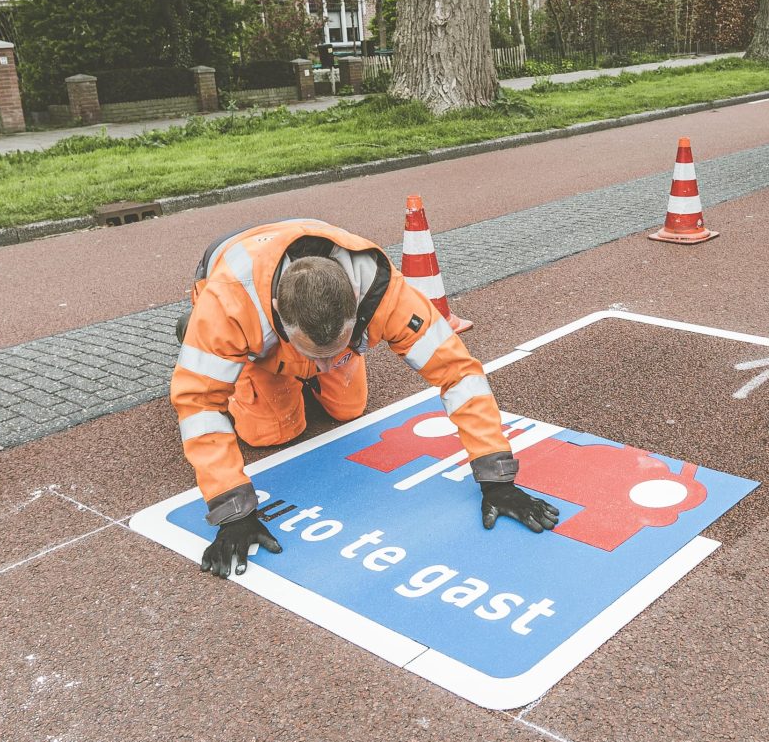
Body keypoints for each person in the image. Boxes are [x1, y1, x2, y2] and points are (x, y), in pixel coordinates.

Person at [170, 217, 562, 576]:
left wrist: (497, 478)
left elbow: (458, 372)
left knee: (349, 409)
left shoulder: (383, 292)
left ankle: (317, 356)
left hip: (309, 312)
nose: (324, 368)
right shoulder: (229, 305)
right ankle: (214, 345)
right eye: (314, 356)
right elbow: (200, 404)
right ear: (276, 311)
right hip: (249, 320)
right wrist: (232, 511)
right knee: (271, 433)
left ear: (355, 307)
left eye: (336, 351)